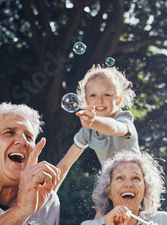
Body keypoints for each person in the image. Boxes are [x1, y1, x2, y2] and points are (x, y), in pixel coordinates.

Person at [55, 64, 140, 192]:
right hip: (113, 187)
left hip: (136, 184)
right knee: (102, 210)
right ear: (85, 101)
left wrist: (94, 121)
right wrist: (48, 194)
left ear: (118, 100)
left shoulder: (124, 119)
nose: (99, 101)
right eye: (93, 95)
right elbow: (65, 164)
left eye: (107, 95)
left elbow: (115, 128)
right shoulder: (88, 130)